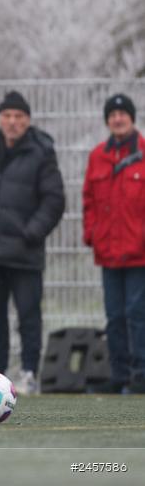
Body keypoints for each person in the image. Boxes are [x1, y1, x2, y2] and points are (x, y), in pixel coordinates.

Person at [0, 90, 65, 394]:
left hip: (25, 254)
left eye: (19, 116)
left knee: (28, 315)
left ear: (28, 120)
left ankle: (30, 373)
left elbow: (54, 201)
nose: (12, 122)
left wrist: (30, 233)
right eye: (7, 116)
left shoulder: (42, 151)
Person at [83, 93, 145, 394]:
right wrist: (91, 233)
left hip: (140, 253)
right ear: (107, 120)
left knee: (137, 314)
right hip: (107, 252)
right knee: (114, 315)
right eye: (112, 115)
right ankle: (119, 375)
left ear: (132, 118)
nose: (118, 119)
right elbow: (89, 201)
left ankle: (141, 374)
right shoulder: (97, 156)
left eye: (123, 114)